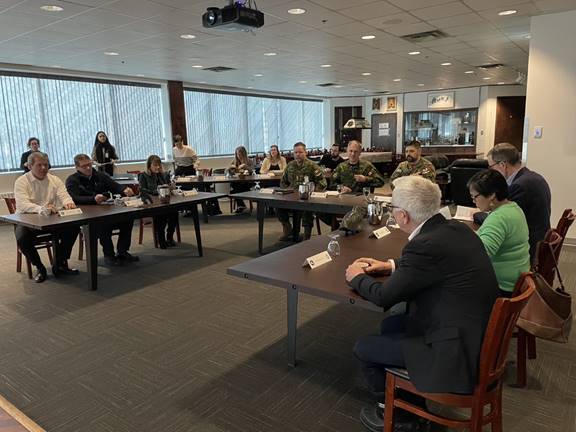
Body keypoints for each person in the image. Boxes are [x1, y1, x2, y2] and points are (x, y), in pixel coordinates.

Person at [345, 176, 499, 432]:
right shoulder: (454, 229)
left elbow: (384, 297)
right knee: (392, 325)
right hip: (474, 333)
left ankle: (403, 417)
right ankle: (407, 398)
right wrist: (391, 265)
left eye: (392, 208)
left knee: (364, 348)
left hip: (455, 351)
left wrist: (356, 277)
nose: (391, 213)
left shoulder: (424, 245)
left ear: (403, 215)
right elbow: (433, 266)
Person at [14, 152, 80, 283]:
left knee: (73, 228)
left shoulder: (54, 179)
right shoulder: (21, 181)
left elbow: (64, 195)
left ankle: (59, 263)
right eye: (39, 165)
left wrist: (68, 203)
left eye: (46, 165)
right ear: (30, 166)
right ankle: (40, 268)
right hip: (27, 220)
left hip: (51, 220)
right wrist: (42, 209)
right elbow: (23, 204)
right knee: (22, 237)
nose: (44, 168)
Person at [66, 154, 139, 266]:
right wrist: (93, 199)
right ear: (77, 167)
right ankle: (109, 255)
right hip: (87, 215)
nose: (88, 168)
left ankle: (122, 251)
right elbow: (74, 198)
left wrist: (125, 189)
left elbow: (115, 186)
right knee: (103, 224)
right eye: (84, 166)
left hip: (104, 209)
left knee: (128, 219)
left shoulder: (100, 175)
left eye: (89, 164)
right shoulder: (72, 180)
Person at [485, 143, 551, 262]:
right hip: (541, 239)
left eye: (491, 167)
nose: (490, 172)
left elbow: (506, 220)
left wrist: (481, 213)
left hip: (530, 248)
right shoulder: (533, 177)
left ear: (503, 165)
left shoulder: (519, 186)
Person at [468, 169, 530, 295]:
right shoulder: (513, 207)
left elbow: (480, 257)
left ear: (491, 195)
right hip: (517, 278)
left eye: (475, 196)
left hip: (502, 286)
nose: (473, 201)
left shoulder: (499, 218)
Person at [278, 142, 327, 241]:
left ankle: (306, 236)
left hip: (306, 198)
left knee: (306, 210)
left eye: (300, 152)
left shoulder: (312, 166)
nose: (298, 154)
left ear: (305, 153)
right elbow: (283, 182)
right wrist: (286, 192)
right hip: (291, 197)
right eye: (295, 152)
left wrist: (313, 194)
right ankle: (288, 229)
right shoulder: (290, 165)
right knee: (277, 206)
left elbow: (322, 183)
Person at [138, 155, 179, 249]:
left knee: (174, 213)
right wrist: (157, 191)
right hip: (150, 203)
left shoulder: (161, 175)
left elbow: (166, 187)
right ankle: (161, 240)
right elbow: (142, 190)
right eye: (155, 165)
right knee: (161, 216)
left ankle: (169, 237)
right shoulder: (143, 175)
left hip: (163, 201)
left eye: (159, 165)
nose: (158, 167)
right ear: (149, 165)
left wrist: (170, 187)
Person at [229, 146, 254, 214]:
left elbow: (252, 171)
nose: (239, 156)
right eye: (237, 154)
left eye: (240, 154)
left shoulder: (249, 161)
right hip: (237, 182)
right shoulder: (234, 161)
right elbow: (226, 172)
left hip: (247, 183)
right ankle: (241, 205)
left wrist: (245, 166)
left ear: (244, 154)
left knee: (234, 191)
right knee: (234, 186)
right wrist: (230, 169)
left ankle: (241, 205)